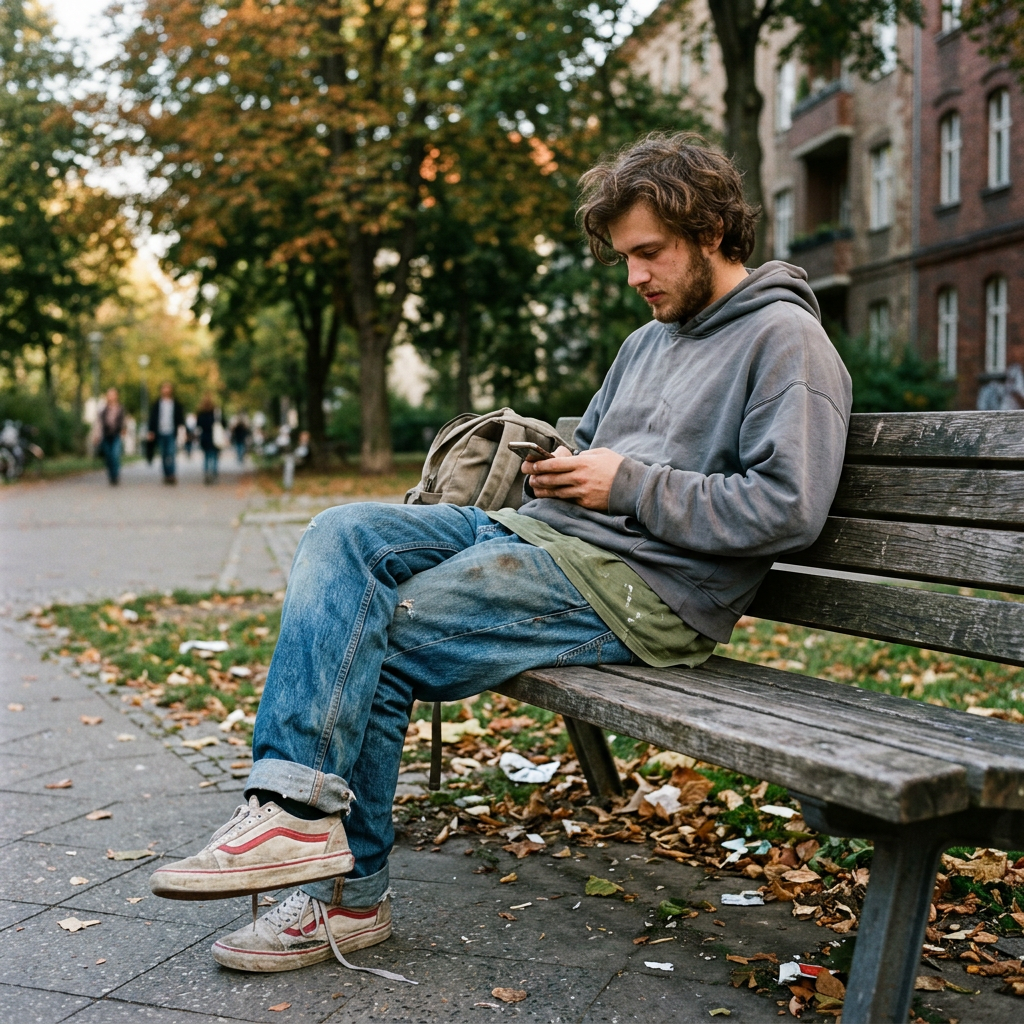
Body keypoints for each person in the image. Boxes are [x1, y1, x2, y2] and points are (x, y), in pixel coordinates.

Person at [150, 133, 852, 978]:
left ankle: (347, 897)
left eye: (649, 254)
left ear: (711, 230)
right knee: (342, 531)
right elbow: (596, 452)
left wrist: (624, 484)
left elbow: (788, 509)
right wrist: (557, 473)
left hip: (644, 591)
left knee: (382, 634)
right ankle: (291, 811)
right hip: (551, 540)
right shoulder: (646, 342)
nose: (635, 277)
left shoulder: (787, 341)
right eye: (625, 257)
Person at [147, 382, 184, 484]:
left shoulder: (176, 404)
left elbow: (180, 419)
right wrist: (151, 431)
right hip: (160, 432)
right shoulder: (157, 404)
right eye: (164, 388)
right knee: (163, 454)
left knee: (171, 453)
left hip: (172, 432)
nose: (166, 390)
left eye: (168, 388)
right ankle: (166, 474)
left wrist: (182, 431)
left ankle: (171, 474)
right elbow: (152, 419)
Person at [97, 388, 125, 486]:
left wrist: (123, 431)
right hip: (106, 436)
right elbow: (99, 423)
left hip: (116, 435)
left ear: (116, 396)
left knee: (115, 455)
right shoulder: (103, 409)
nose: (111, 397)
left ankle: (115, 476)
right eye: (109, 395)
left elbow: (123, 421)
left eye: (113, 394)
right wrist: (96, 435)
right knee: (108, 457)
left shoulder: (120, 408)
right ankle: (111, 475)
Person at [196, 394, 222, 484]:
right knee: (214, 456)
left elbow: (198, 425)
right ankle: (213, 474)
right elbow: (222, 423)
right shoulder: (215, 413)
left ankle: (207, 473)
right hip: (214, 437)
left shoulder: (201, 413)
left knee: (207, 457)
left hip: (205, 436)